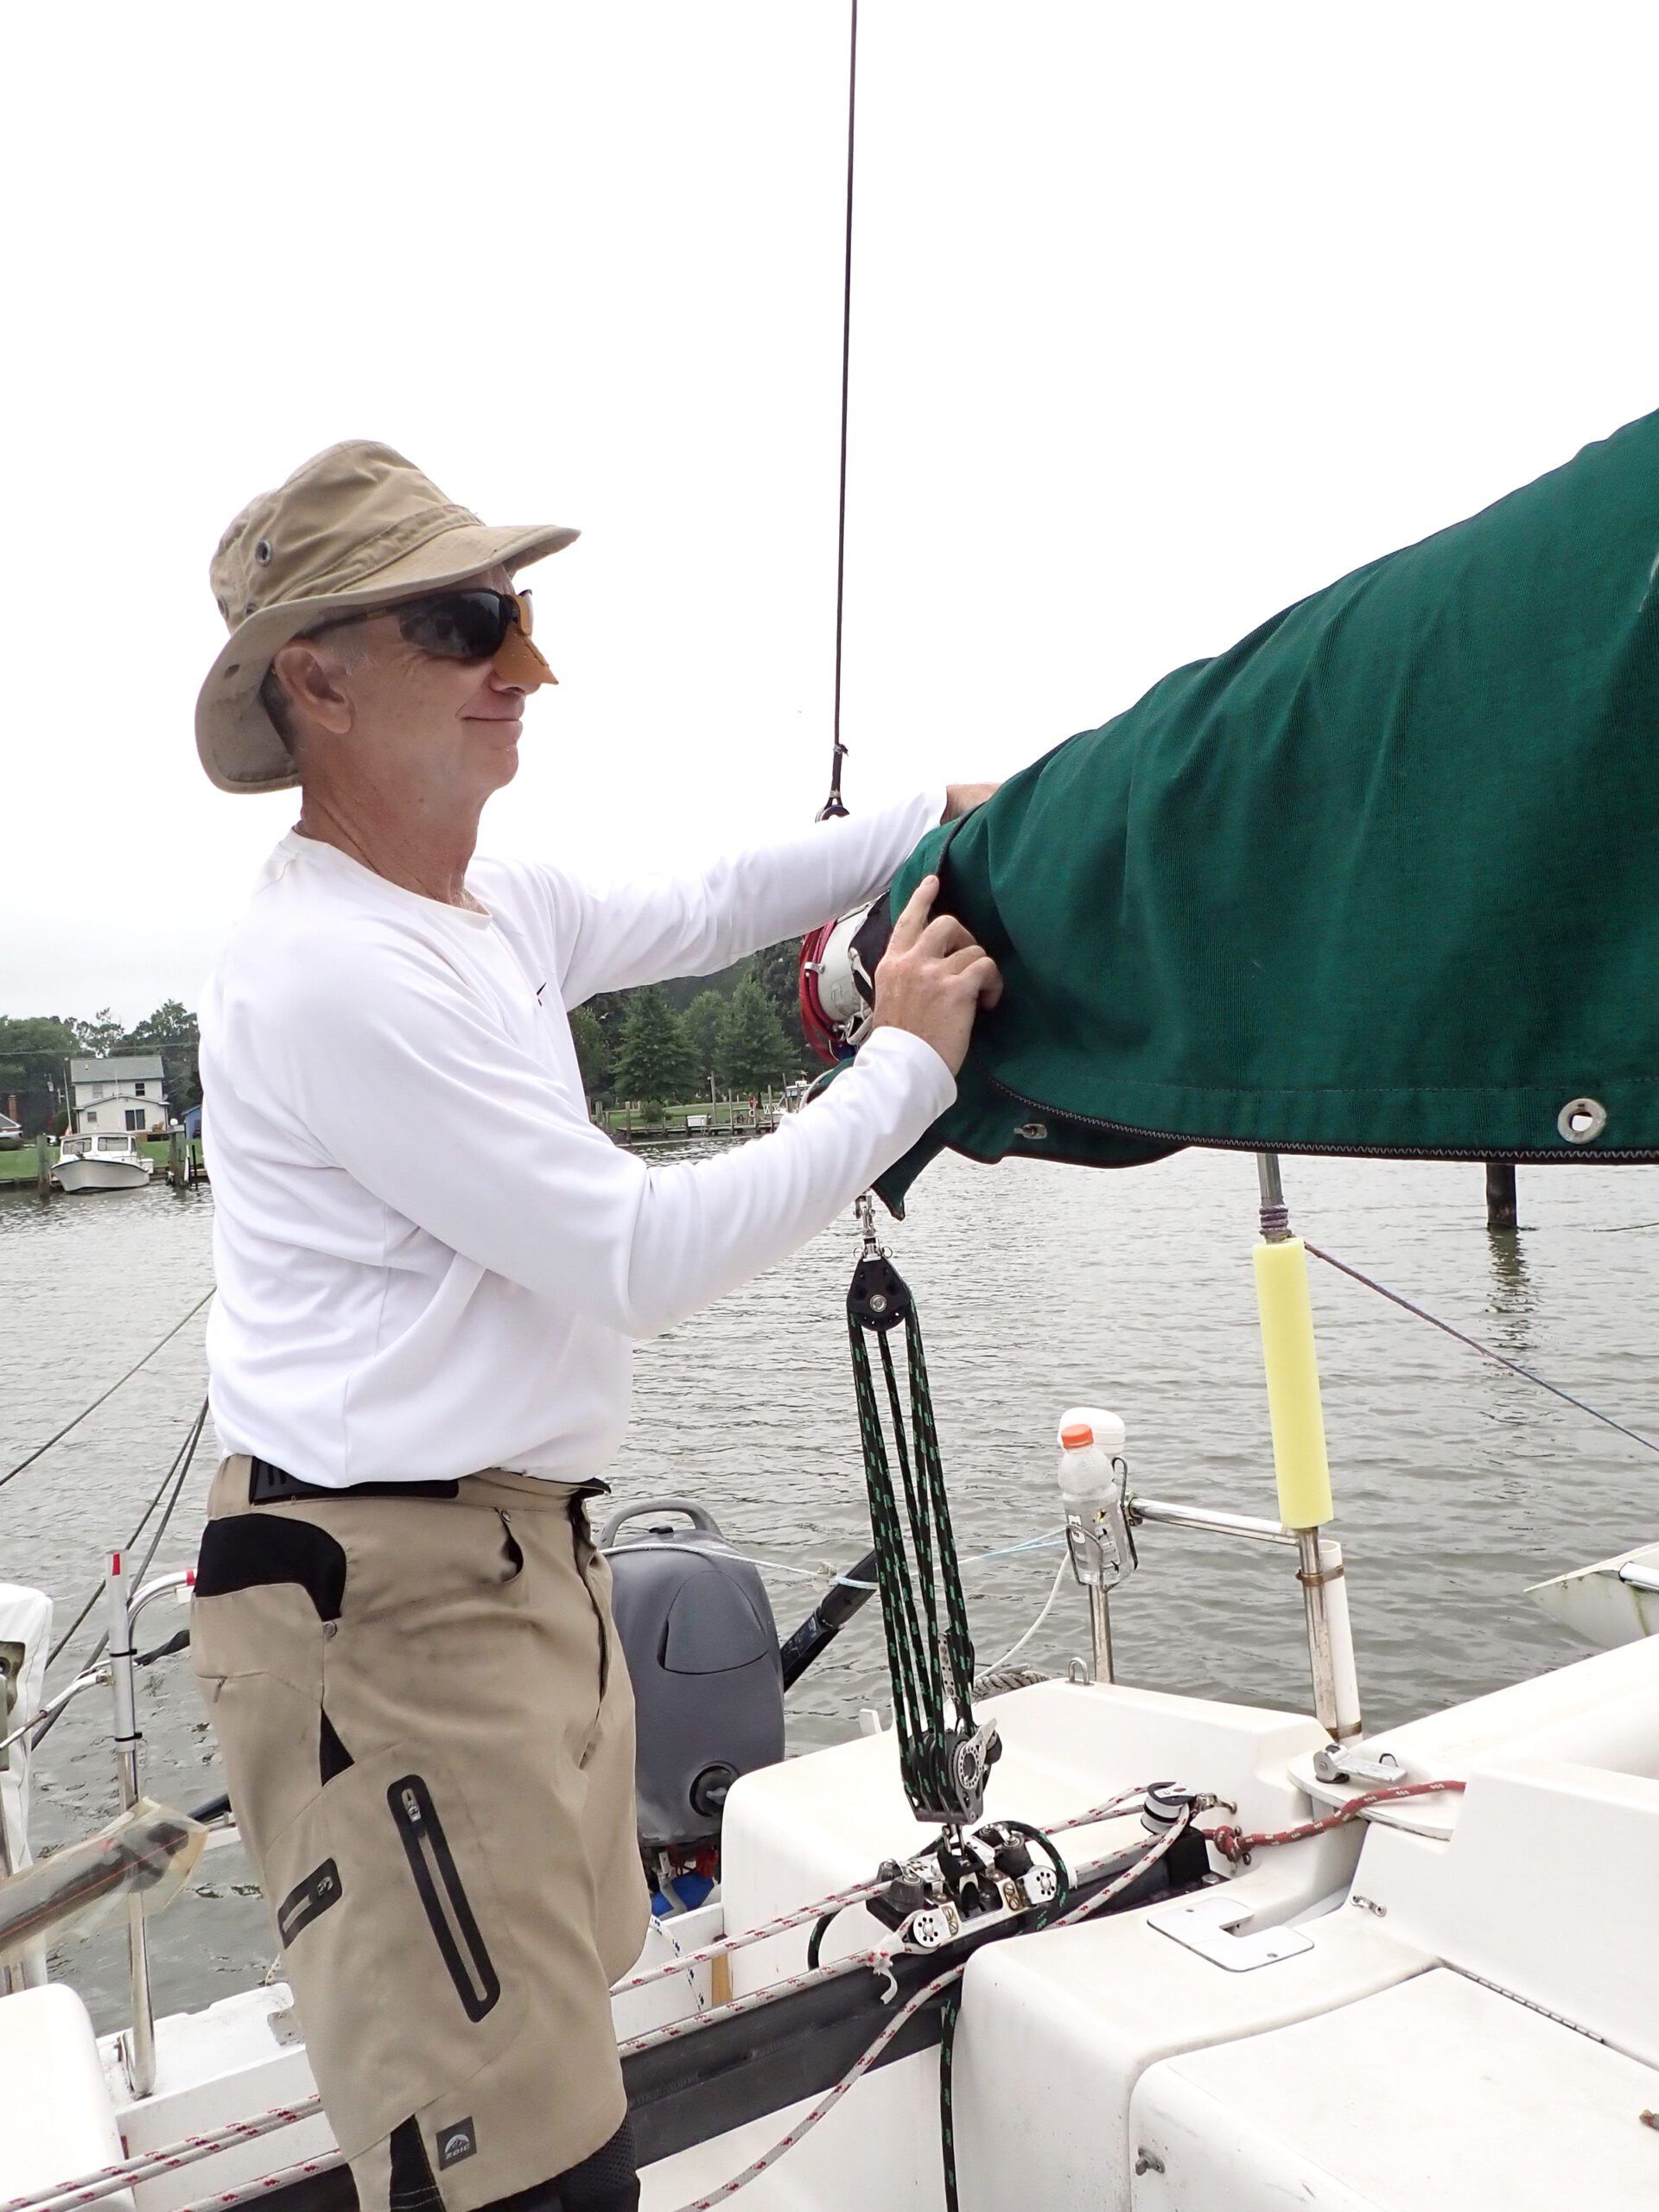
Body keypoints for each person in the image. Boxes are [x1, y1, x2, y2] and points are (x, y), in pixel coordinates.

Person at [188, 440, 1001, 2212]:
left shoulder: (489, 908)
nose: (520, 661)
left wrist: (944, 823)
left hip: (503, 1573)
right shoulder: (335, 968)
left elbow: (718, 900)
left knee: (564, 2089)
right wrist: (905, 1069)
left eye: (520, 614)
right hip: (383, 1615)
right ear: (315, 680)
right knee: (515, 2167)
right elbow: (629, 1251)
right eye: (467, 619)